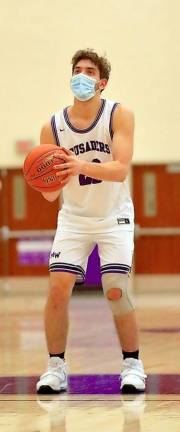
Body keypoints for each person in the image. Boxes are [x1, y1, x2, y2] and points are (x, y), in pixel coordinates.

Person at [36, 48, 146, 394]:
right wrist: (41, 180)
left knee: (115, 290)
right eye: (77, 69)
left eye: (89, 71)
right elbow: (50, 196)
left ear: (102, 82)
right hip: (74, 218)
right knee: (57, 291)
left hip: (114, 215)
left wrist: (79, 166)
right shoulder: (52, 126)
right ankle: (55, 367)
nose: (81, 75)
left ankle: (132, 364)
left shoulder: (118, 114)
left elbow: (121, 169)